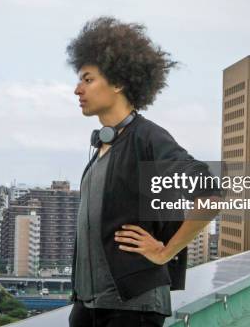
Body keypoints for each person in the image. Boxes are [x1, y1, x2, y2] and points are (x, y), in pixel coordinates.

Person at [67, 17, 222, 327]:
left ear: (118, 82)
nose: (77, 90)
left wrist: (166, 251)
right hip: (89, 306)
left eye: (87, 79)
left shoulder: (148, 138)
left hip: (132, 309)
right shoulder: (103, 145)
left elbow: (210, 195)